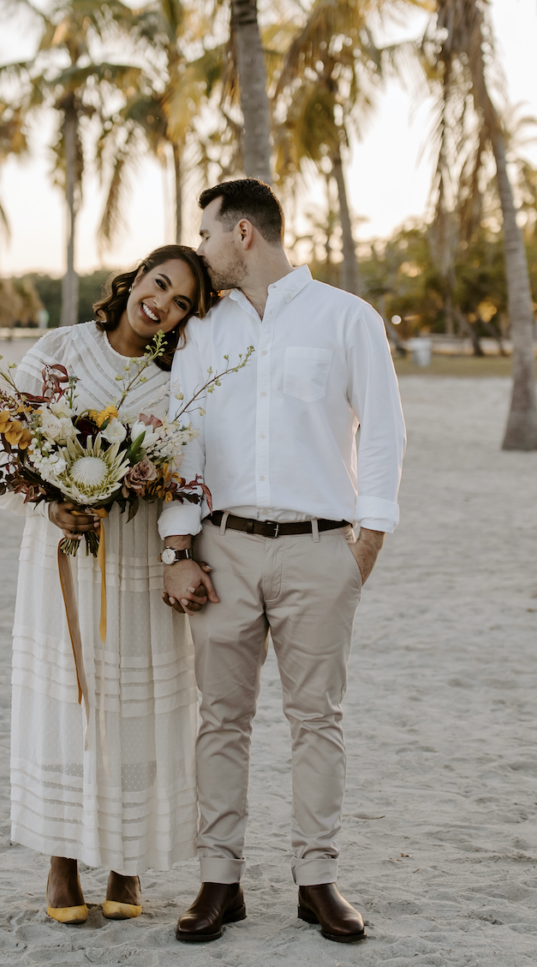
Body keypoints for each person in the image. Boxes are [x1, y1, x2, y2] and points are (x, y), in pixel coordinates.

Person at [159, 178, 406, 944]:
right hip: (222, 548)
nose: (198, 250)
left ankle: (317, 879)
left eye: (204, 235)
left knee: (317, 720)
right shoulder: (204, 333)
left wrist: (366, 540)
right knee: (221, 720)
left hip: (319, 548)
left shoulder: (347, 319)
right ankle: (219, 882)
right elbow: (183, 438)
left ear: (242, 234)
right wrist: (179, 544)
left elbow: (385, 429)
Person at [7, 245, 217, 924]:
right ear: (135, 279)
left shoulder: (174, 377)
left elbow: (186, 471)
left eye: (182, 301)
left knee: (135, 709)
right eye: (160, 284)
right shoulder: (61, 348)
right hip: (64, 553)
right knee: (69, 700)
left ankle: (125, 863)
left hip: (136, 556)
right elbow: (14, 442)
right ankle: (60, 864)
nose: (163, 303)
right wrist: (49, 500)